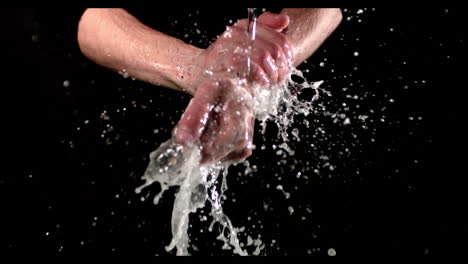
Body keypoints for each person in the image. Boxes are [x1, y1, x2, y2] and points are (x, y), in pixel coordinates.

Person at [77, 8, 342, 164]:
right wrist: (200, 67)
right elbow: (91, 19)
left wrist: (261, 63)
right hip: (128, 135)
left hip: (278, 149)